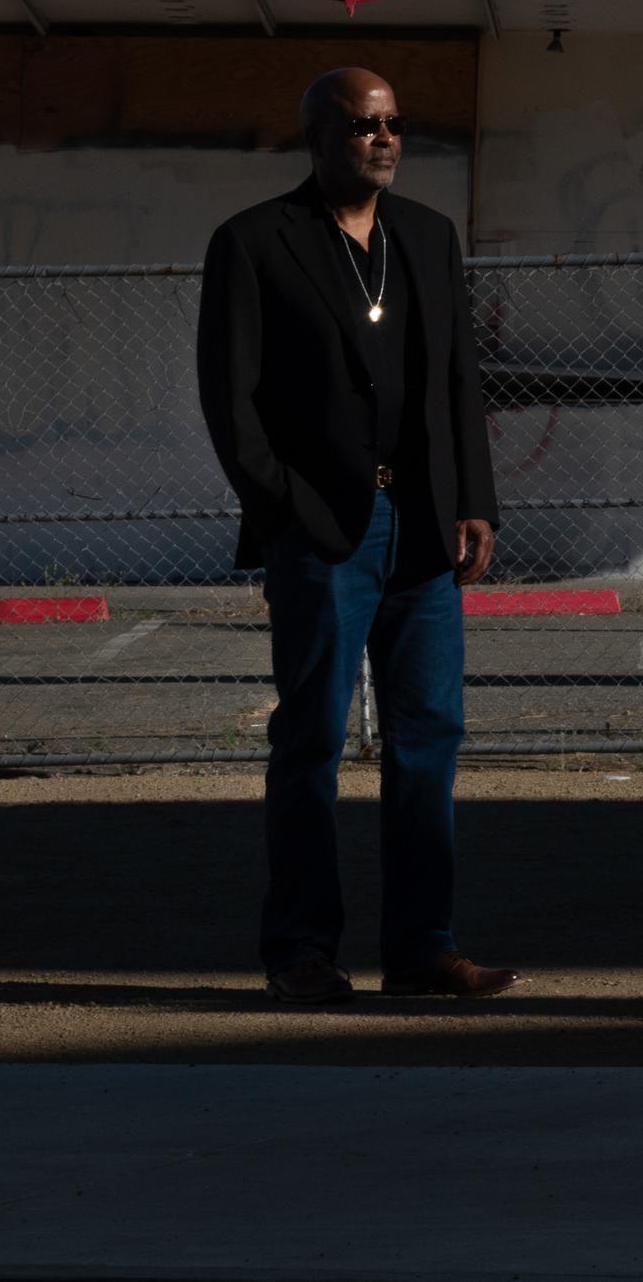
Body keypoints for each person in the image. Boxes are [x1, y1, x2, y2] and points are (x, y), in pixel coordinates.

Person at [196, 65, 517, 1005]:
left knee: (429, 739)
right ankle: (301, 951)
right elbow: (231, 400)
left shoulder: (427, 236)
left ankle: (423, 948)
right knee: (311, 745)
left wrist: (476, 500)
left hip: (422, 527)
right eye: (362, 125)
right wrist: (285, 505)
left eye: (393, 124)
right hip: (322, 532)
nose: (383, 139)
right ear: (319, 136)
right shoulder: (255, 243)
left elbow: (459, 378)